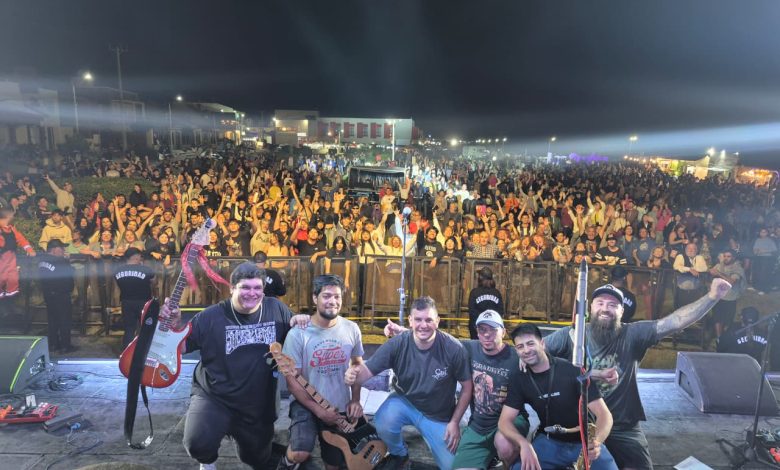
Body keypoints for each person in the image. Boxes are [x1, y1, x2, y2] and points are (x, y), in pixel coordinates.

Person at [543, 279, 733, 470]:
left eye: (612, 305)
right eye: (600, 303)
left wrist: (712, 296)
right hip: (579, 423)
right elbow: (537, 355)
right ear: (591, 308)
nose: (605, 309)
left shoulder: (633, 333)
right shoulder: (572, 335)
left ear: (621, 311)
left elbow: (675, 322)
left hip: (622, 425)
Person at [164, 262, 298, 470]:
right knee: (197, 444)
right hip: (215, 396)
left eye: (257, 288)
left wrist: (302, 321)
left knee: (256, 459)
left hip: (256, 401)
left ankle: (254, 445)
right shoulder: (210, 316)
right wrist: (171, 325)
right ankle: (207, 462)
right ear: (232, 288)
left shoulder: (275, 308)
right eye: (245, 287)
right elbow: (179, 347)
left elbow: (297, 337)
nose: (252, 293)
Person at [384, 310, 530, 469]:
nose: (487, 335)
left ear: (503, 332)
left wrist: (526, 356)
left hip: (510, 420)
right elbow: (438, 339)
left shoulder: (515, 356)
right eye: (482, 330)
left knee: (503, 443)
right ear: (477, 332)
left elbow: (540, 356)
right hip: (479, 425)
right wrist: (402, 331)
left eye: (493, 330)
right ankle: (490, 455)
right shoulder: (470, 348)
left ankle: (508, 464)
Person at [345, 297, 473, 469]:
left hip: (439, 415)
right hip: (406, 402)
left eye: (429, 320)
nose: (423, 325)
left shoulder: (453, 348)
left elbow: (467, 387)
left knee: (454, 466)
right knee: (384, 420)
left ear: (437, 321)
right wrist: (353, 388)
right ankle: (399, 454)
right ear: (410, 321)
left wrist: (455, 422)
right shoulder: (397, 344)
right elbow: (361, 374)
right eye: (418, 319)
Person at [499, 323, 617, 470]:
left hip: (583, 442)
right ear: (516, 350)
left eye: (530, 343)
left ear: (542, 344)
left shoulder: (572, 370)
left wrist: (596, 442)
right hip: (550, 441)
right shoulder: (519, 379)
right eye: (520, 347)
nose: (526, 350)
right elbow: (504, 421)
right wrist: (523, 443)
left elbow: (604, 415)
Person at [277, 274, 365, 470]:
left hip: (338, 405)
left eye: (337, 296)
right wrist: (319, 411)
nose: (332, 301)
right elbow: (292, 382)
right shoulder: (298, 333)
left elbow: (357, 365)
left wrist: (355, 400)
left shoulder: (352, 328)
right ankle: (285, 464)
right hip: (305, 403)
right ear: (315, 298)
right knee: (300, 452)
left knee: (334, 464)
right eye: (326, 296)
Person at [36, 239, 76, 352]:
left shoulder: (41, 260)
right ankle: (65, 346)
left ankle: (53, 344)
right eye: (61, 248)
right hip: (61, 294)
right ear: (54, 250)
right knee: (64, 320)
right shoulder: (61, 261)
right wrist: (68, 263)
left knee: (52, 320)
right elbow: (69, 276)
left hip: (48, 294)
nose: (63, 250)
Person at [113, 247, 156, 348]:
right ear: (135, 256)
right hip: (143, 302)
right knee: (144, 327)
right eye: (140, 256)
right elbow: (154, 282)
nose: (140, 258)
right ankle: (142, 350)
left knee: (129, 328)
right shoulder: (146, 269)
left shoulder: (118, 271)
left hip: (126, 302)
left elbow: (117, 285)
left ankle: (127, 351)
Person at [0, 208, 36, 308]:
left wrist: (29, 249)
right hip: (1, 258)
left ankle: (10, 300)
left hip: (11, 258)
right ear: (7, 217)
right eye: (12, 216)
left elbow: (21, 239)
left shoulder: (12, 229)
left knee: (13, 277)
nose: (13, 218)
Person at [708, 249, 746, 339]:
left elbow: (732, 281)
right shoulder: (719, 265)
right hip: (718, 297)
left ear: (734, 257)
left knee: (727, 320)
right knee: (717, 318)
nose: (725, 258)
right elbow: (710, 274)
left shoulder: (737, 268)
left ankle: (725, 338)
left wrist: (718, 273)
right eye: (724, 256)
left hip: (730, 298)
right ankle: (719, 338)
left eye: (728, 256)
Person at [467, 267, 504, 339]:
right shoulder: (496, 293)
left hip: (477, 327)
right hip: (492, 327)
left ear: (480, 278)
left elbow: (472, 311)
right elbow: (500, 311)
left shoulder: (474, 292)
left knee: (477, 345)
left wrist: (481, 324)